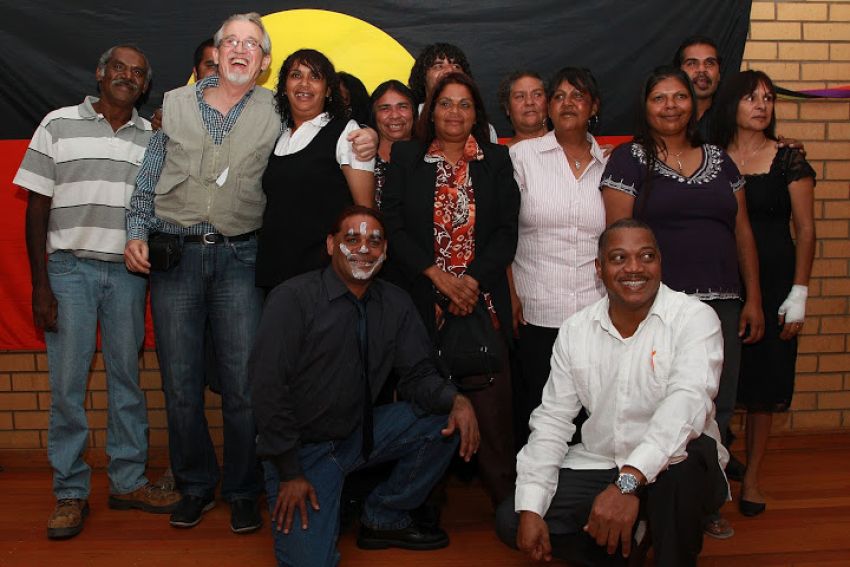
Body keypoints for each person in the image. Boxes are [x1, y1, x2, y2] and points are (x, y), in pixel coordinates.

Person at [250, 206, 479, 567]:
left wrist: (458, 400)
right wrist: (290, 472)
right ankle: (326, 498)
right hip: (301, 452)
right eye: (351, 238)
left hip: (360, 435)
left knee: (445, 420)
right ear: (330, 244)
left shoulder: (395, 302)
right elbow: (267, 389)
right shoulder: (292, 299)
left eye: (374, 241)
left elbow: (418, 374)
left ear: (385, 251)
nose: (364, 249)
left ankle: (383, 515)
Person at [14, 44, 180, 540]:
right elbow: (36, 207)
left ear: (145, 86)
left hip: (128, 275)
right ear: (100, 73)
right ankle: (70, 491)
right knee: (67, 388)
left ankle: (128, 480)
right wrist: (41, 284)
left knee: (127, 381)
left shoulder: (153, 138)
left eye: (137, 73)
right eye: (119, 68)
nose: (127, 77)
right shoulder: (57, 123)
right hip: (68, 271)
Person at [495, 219, 729, 567]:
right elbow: (553, 420)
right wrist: (531, 506)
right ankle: (629, 544)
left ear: (660, 262)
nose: (634, 268)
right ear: (599, 269)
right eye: (619, 258)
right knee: (514, 518)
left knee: (683, 468)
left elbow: (686, 405)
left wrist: (627, 484)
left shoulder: (694, 318)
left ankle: (666, 547)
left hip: (675, 463)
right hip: (602, 461)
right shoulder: (577, 330)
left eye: (646, 256)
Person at [125, 12, 278, 534]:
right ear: (217, 52)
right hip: (177, 257)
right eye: (231, 41)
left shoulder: (276, 110)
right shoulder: (175, 103)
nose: (240, 50)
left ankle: (241, 488)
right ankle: (194, 485)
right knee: (181, 383)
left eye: (250, 45)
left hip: (241, 258)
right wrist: (134, 232)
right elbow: (147, 176)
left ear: (264, 60)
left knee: (242, 387)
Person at [600, 66, 764, 539]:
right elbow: (616, 239)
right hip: (656, 307)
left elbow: (743, 232)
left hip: (721, 307)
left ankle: (704, 497)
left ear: (693, 105)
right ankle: (647, 497)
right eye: (659, 98)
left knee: (715, 408)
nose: (670, 105)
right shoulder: (629, 160)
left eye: (679, 97)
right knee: (655, 405)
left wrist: (753, 298)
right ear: (645, 106)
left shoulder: (720, 160)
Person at [382, 72, 520, 504]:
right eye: (446, 103)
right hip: (422, 302)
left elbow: (505, 232)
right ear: (430, 111)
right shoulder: (407, 156)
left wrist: (470, 282)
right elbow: (394, 225)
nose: (455, 112)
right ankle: (421, 508)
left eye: (464, 104)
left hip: (483, 302)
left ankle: (508, 505)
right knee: (428, 409)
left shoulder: (496, 160)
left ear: (476, 113)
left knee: (495, 416)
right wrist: (438, 276)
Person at [712, 70, 816, 517]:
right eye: (751, 98)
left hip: (774, 281)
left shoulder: (788, 158)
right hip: (722, 279)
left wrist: (799, 294)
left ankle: (751, 477)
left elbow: (807, 230)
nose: (761, 105)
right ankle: (712, 476)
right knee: (717, 384)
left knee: (765, 384)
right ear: (732, 104)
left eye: (768, 98)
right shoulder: (712, 157)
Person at [508, 67, 608, 447]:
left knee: (591, 416)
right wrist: (511, 293)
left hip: (594, 312)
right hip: (536, 309)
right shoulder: (521, 157)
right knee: (538, 414)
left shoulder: (610, 165)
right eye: (560, 96)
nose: (568, 103)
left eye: (578, 96)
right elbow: (501, 233)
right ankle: (534, 497)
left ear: (593, 107)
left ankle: (580, 495)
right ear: (549, 107)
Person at [255, 49, 375, 291]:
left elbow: (365, 214)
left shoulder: (347, 133)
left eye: (315, 76)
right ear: (284, 86)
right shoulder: (279, 137)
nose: (304, 84)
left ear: (328, 89)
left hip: (323, 276)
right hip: (274, 272)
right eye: (296, 75)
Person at [407, 42, 499, 142]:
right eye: (438, 66)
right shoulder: (407, 121)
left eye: (456, 66)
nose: (450, 70)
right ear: (422, 76)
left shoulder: (484, 129)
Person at [369, 80, 417, 208]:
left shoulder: (430, 156)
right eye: (385, 108)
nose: (395, 115)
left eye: (402, 107)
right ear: (374, 115)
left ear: (413, 112)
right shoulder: (363, 160)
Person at [497, 70, 548, 147]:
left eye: (537, 95)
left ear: (549, 103)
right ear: (507, 107)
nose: (529, 102)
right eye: (520, 96)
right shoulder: (498, 156)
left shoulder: (568, 146)